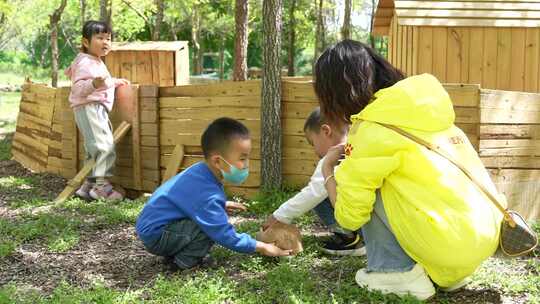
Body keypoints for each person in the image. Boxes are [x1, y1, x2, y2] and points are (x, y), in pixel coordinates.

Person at [314, 40, 502, 300]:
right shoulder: (423, 109)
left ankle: (396, 272)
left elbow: (350, 217)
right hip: (480, 238)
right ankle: (448, 274)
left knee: (364, 186)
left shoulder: (372, 127)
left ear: (335, 92)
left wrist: (328, 170)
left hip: (447, 245)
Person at [136, 117, 292, 270]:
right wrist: (263, 247)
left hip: (153, 228)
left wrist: (220, 205)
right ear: (217, 161)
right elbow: (223, 234)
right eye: (242, 159)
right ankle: (181, 263)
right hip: (158, 234)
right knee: (208, 229)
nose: (247, 165)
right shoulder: (208, 194)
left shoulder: (199, 172)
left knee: (206, 221)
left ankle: (175, 250)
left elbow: (188, 199)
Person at [262, 107, 365, 256]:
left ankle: (350, 239)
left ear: (325, 131)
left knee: (318, 198)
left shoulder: (333, 159)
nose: (315, 151)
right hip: (381, 219)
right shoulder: (359, 146)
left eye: (313, 143)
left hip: (359, 218)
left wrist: (278, 216)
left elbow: (313, 193)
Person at [65, 20, 130, 201]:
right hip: (90, 108)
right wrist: (94, 83)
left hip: (90, 109)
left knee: (93, 148)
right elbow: (78, 88)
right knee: (105, 146)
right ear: (86, 42)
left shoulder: (93, 61)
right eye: (100, 38)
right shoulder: (87, 62)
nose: (106, 42)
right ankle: (102, 187)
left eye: (108, 38)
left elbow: (101, 81)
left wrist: (114, 81)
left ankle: (88, 185)